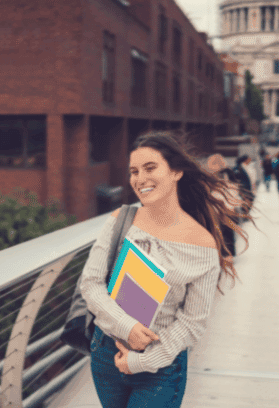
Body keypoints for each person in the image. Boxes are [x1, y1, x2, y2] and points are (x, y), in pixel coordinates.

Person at [80, 131, 248, 408]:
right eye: (134, 171)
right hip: (106, 354)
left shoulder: (203, 244)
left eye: (150, 168)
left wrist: (142, 361)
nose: (139, 178)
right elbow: (91, 284)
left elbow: (193, 322)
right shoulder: (121, 220)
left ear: (176, 171)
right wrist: (128, 326)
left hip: (160, 366)